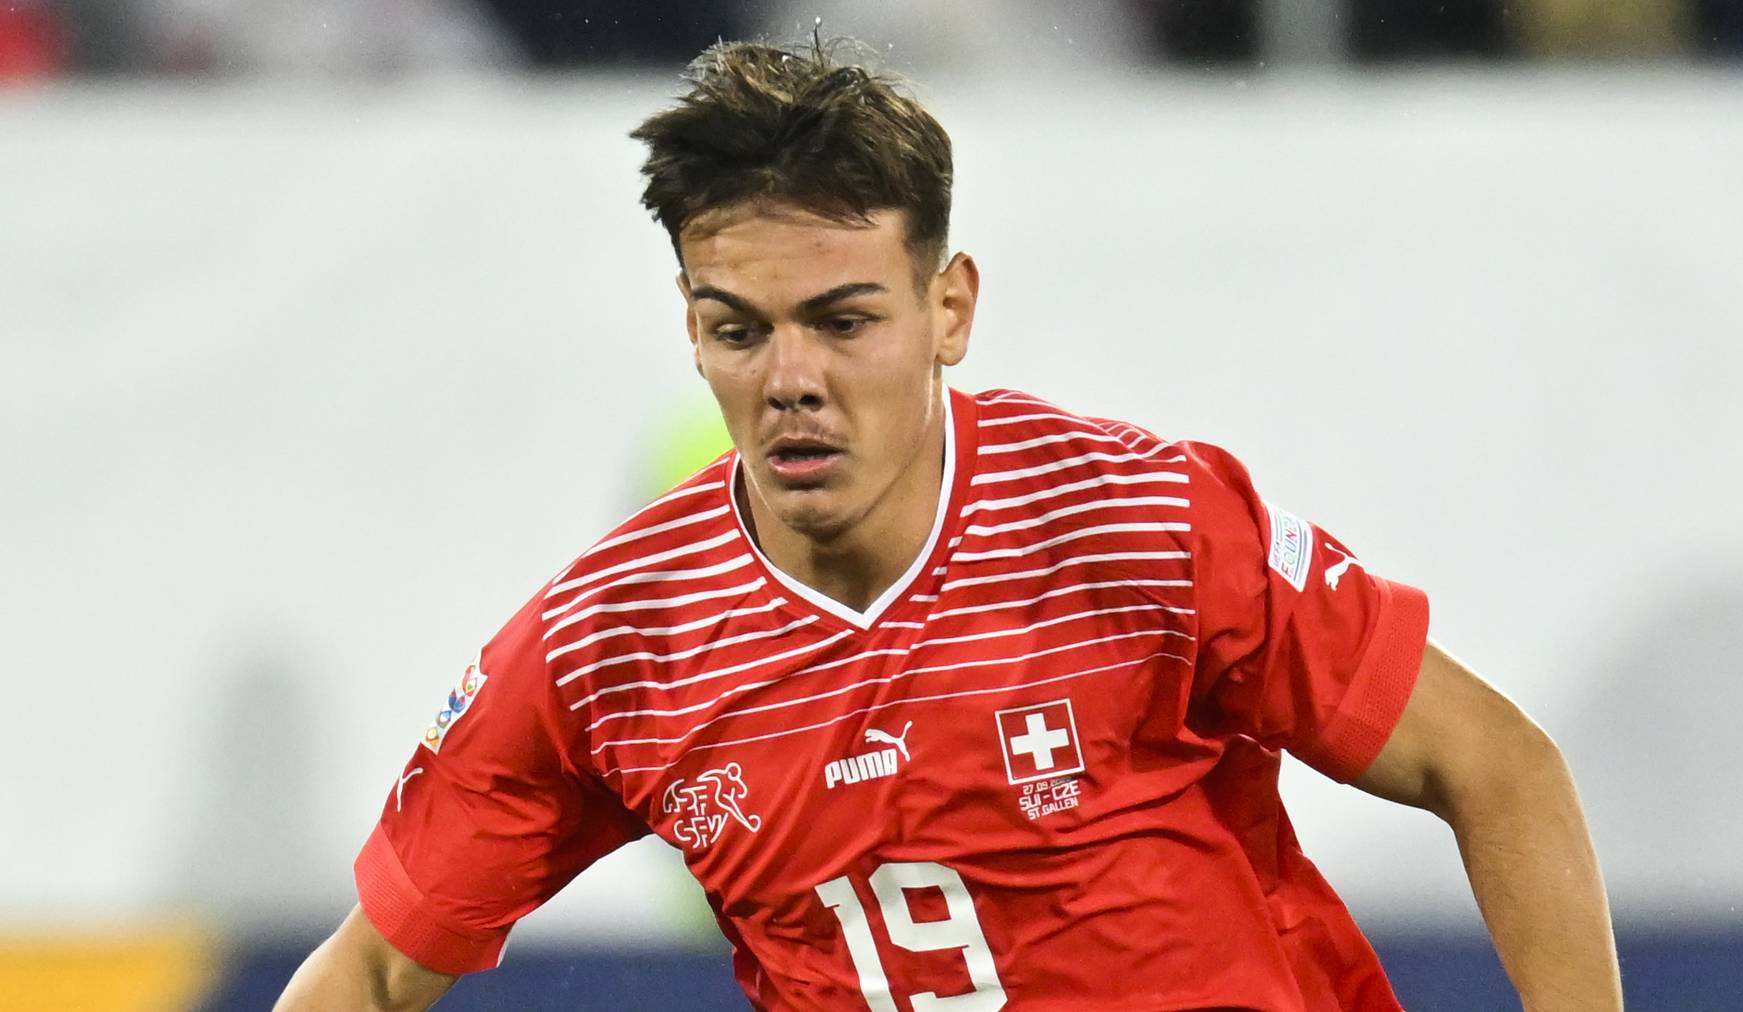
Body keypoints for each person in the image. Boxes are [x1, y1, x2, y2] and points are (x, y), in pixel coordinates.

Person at [276, 38, 1622, 1011]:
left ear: (950, 309)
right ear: (691, 326)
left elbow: (1495, 766)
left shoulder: (1135, 523)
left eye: (845, 320)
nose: (792, 377)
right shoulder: (609, 652)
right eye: (737, 328)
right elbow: (379, 971)